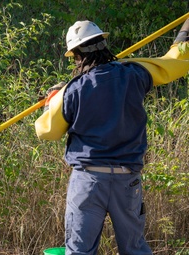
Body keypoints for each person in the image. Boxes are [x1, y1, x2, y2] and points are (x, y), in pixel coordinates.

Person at [35, 19, 189, 255]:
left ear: (77, 54)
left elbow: (46, 131)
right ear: (103, 44)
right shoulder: (135, 73)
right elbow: (175, 63)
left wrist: (51, 102)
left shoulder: (71, 90)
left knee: (79, 251)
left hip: (87, 182)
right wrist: (185, 32)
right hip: (127, 181)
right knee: (134, 250)